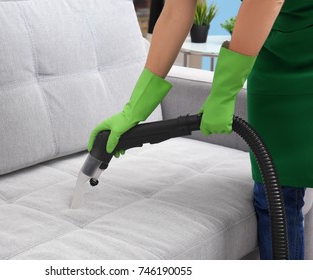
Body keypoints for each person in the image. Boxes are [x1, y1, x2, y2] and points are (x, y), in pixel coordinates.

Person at [88, 0, 312, 259]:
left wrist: (224, 90)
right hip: (271, 50)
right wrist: (134, 109)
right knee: (275, 195)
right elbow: (176, 10)